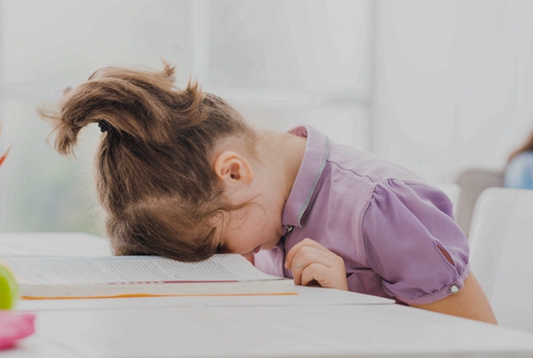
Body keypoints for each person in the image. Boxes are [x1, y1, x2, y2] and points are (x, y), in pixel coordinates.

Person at [40, 62, 497, 324]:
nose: (229, 260)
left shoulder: (378, 207)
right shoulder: (266, 215)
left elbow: (484, 345)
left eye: (216, 244)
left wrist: (348, 309)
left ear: (234, 174)